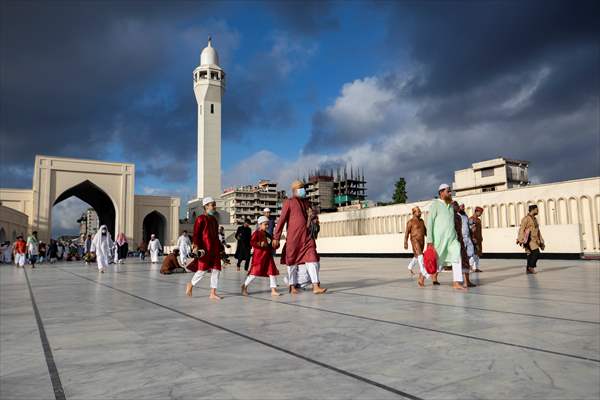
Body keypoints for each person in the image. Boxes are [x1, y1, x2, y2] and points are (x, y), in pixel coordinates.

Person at [273, 180, 327, 295]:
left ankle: (316, 286)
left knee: (313, 259)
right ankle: (292, 286)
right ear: (294, 191)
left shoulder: (307, 203)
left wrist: (314, 219)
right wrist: (276, 237)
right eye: (300, 188)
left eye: (303, 187)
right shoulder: (289, 202)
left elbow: (313, 217)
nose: (303, 190)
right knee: (292, 262)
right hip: (294, 239)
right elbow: (281, 220)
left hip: (307, 237)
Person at [426, 184, 465, 291]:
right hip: (439, 239)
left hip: (452, 238)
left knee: (457, 256)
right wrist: (430, 240)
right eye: (448, 191)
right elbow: (430, 223)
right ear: (441, 192)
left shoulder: (451, 206)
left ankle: (456, 282)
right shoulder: (435, 205)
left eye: (450, 191)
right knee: (434, 260)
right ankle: (423, 276)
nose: (450, 193)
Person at [185, 197, 222, 300]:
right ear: (206, 206)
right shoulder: (200, 218)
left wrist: (221, 248)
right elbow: (196, 233)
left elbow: (215, 235)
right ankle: (191, 284)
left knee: (216, 270)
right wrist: (196, 246)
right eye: (212, 205)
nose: (214, 207)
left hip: (214, 249)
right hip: (205, 249)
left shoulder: (214, 219)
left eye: (214, 204)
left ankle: (213, 293)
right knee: (202, 270)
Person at [241, 216, 281, 297]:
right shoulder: (256, 233)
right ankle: (244, 286)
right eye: (265, 224)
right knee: (254, 273)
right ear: (260, 224)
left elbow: (272, 244)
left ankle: (273, 290)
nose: (267, 226)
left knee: (271, 272)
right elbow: (252, 242)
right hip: (259, 257)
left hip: (268, 256)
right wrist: (259, 244)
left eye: (267, 224)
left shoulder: (267, 234)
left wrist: (276, 244)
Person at [453, 202, 476, 288]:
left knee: (468, 259)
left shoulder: (465, 216)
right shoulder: (454, 216)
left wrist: (472, 233)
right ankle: (430, 277)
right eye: (461, 207)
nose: (463, 208)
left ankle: (467, 281)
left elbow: (468, 228)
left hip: (467, 240)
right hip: (458, 240)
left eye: (463, 207)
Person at [404, 206, 428, 285]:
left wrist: (431, 238)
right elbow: (407, 233)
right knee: (420, 255)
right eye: (418, 211)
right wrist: (405, 242)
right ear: (414, 213)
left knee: (417, 256)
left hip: (422, 240)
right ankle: (423, 271)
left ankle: (410, 266)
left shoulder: (422, 221)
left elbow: (425, 231)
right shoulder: (410, 222)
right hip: (414, 240)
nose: (420, 213)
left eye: (420, 211)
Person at [517, 204, 545, 274]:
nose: (537, 211)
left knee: (530, 254)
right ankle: (531, 267)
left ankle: (528, 269)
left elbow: (538, 230)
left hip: (535, 239)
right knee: (536, 253)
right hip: (529, 239)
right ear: (532, 209)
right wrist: (520, 239)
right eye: (536, 209)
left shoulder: (535, 219)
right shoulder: (526, 219)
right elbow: (521, 229)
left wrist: (541, 240)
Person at [469, 206, 483, 272]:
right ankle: (470, 266)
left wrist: (481, 237)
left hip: (479, 239)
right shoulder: (471, 219)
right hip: (474, 239)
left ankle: (476, 268)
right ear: (476, 211)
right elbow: (471, 230)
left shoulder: (479, 220)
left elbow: (479, 230)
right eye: (480, 212)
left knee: (478, 254)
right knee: (474, 253)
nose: (481, 214)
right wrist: (473, 238)